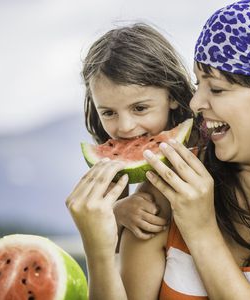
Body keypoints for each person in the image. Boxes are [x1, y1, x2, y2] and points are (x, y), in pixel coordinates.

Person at [66, 2, 250, 298]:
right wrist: (98, 251)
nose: (194, 103)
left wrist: (201, 231)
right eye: (198, 83)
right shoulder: (167, 191)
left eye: (216, 88)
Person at [79, 22, 203, 241]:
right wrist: (116, 213)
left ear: (172, 95)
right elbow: (114, 257)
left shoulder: (206, 148)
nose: (125, 126)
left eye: (140, 108)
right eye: (108, 113)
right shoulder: (112, 172)